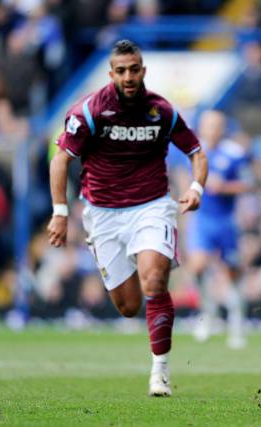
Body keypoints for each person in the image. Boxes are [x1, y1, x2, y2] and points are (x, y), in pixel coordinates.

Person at [47, 40, 208, 397]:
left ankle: (160, 372)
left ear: (143, 71)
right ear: (111, 74)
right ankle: (139, 274)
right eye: (121, 70)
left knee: (154, 279)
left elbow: (196, 150)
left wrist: (196, 187)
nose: (129, 76)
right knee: (129, 306)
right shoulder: (89, 111)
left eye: (134, 69)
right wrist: (60, 212)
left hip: (151, 206)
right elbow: (61, 160)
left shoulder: (161, 111)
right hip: (102, 214)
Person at [186, 110, 252, 349]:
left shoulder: (234, 154)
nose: (211, 130)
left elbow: (248, 184)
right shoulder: (195, 151)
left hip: (226, 222)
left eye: (216, 125)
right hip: (202, 220)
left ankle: (237, 325)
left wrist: (223, 187)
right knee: (198, 266)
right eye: (207, 125)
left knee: (232, 273)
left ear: (223, 128)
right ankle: (209, 312)